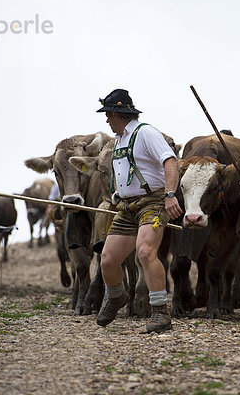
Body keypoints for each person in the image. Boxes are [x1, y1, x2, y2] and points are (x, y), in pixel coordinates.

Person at [95, 89, 183, 333]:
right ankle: (116, 297)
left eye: (107, 116)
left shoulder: (145, 132)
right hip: (127, 207)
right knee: (108, 259)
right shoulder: (120, 139)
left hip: (152, 203)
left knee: (145, 252)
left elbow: (170, 160)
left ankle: (160, 312)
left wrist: (169, 195)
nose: (106, 121)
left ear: (115, 113)